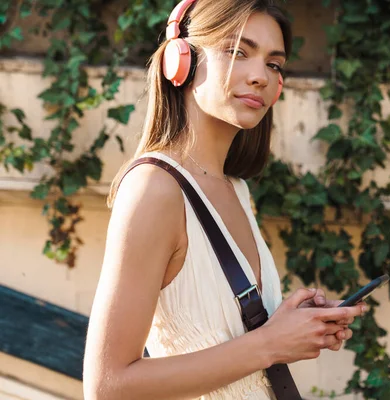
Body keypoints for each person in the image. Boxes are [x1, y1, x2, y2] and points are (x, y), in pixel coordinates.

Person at [83, 1, 365, 399]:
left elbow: (227, 341)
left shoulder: (235, 189)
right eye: (237, 51)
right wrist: (270, 345)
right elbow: (108, 386)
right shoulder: (154, 189)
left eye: (274, 64)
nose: (260, 77)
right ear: (180, 61)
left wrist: (292, 328)